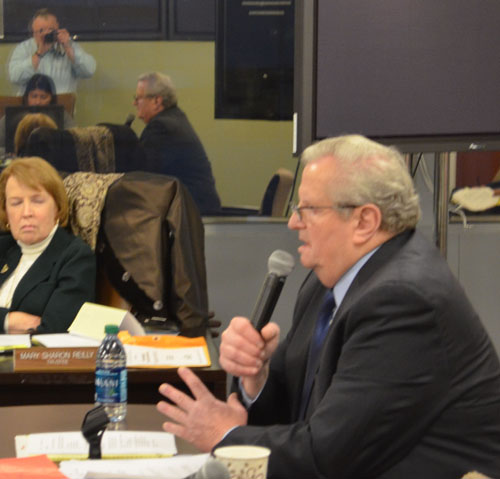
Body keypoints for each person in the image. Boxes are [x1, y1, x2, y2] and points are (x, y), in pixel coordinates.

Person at [156, 135, 500, 478]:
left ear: (364, 221)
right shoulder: (329, 279)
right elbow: (298, 409)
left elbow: (326, 458)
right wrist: (256, 378)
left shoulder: (404, 301)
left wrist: (225, 435)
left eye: (309, 210)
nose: (293, 222)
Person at [0, 157, 96, 334]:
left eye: (37, 201)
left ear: (57, 208)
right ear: (6, 212)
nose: (26, 213)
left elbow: (52, 330)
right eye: (16, 203)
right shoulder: (3, 247)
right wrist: (8, 321)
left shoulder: (75, 257)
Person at [134, 72, 221, 215]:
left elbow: (141, 175)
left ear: (156, 101)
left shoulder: (161, 127)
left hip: (192, 216)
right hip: (197, 210)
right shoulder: (174, 118)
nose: (135, 103)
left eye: (138, 98)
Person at [8, 8, 96, 94]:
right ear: (33, 32)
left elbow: (88, 71)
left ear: (58, 29)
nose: (46, 34)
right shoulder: (24, 48)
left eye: (50, 30)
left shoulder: (68, 46)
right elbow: (15, 78)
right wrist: (39, 53)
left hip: (63, 106)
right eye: (41, 31)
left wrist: (68, 48)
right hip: (31, 107)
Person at [0, 73, 75, 151]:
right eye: (34, 96)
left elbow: (74, 141)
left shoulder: (61, 115)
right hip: (18, 160)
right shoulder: (12, 115)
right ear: (27, 97)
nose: (37, 102)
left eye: (43, 97)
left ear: (51, 98)